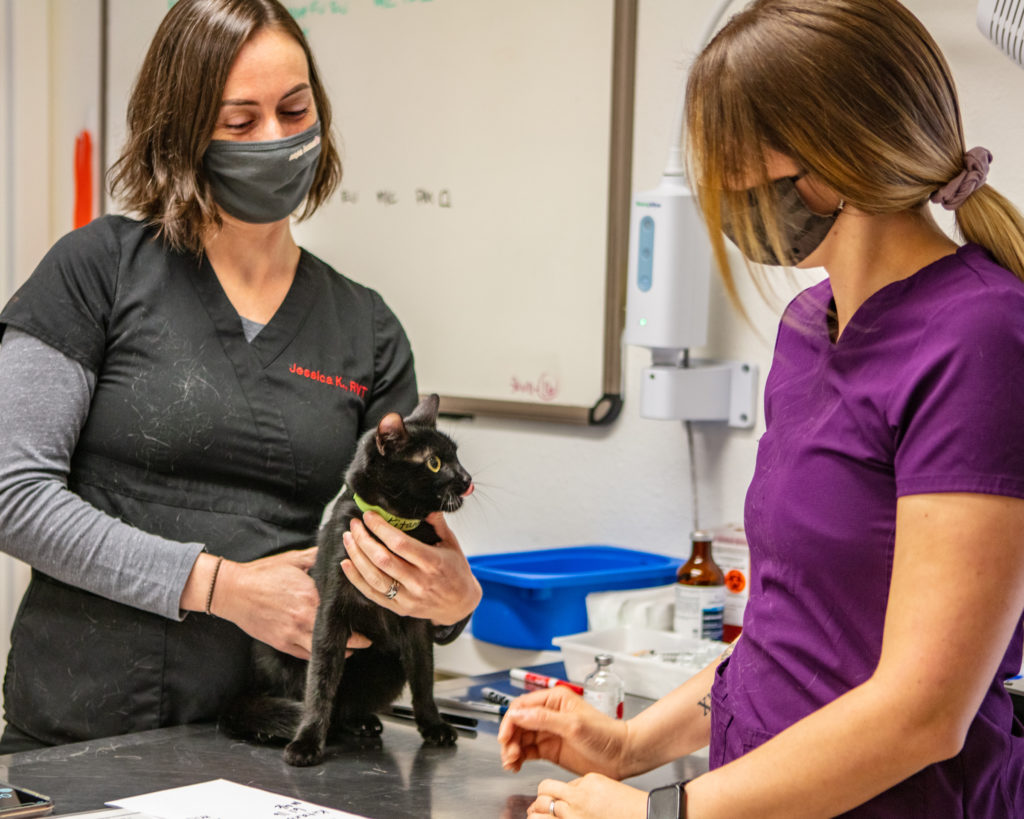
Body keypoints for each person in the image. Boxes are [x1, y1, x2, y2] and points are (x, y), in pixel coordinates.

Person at [498, 1, 1024, 816]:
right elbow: (789, 640)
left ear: (832, 150)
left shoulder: (981, 336)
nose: (721, 189)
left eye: (732, 159)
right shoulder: (808, 328)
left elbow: (924, 714)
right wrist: (632, 744)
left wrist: (659, 813)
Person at [0, 0, 480, 752]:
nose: (278, 140)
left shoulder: (367, 328)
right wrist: (221, 586)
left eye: (295, 110)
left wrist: (452, 599)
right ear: (183, 131)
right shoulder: (97, 270)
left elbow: (406, 538)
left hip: (281, 742)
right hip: (83, 731)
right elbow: (13, 494)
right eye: (240, 121)